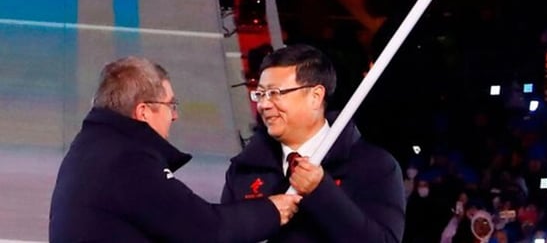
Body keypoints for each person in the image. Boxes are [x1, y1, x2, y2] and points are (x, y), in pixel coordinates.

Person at [49, 56, 300, 242]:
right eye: (171, 105)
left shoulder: (91, 150)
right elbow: (205, 228)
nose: (175, 116)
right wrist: (272, 211)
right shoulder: (128, 162)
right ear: (144, 111)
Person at [222, 44, 405, 241]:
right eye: (260, 94)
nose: (264, 104)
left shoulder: (373, 165)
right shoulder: (245, 169)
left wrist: (321, 190)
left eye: (275, 93)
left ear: (316, 96)